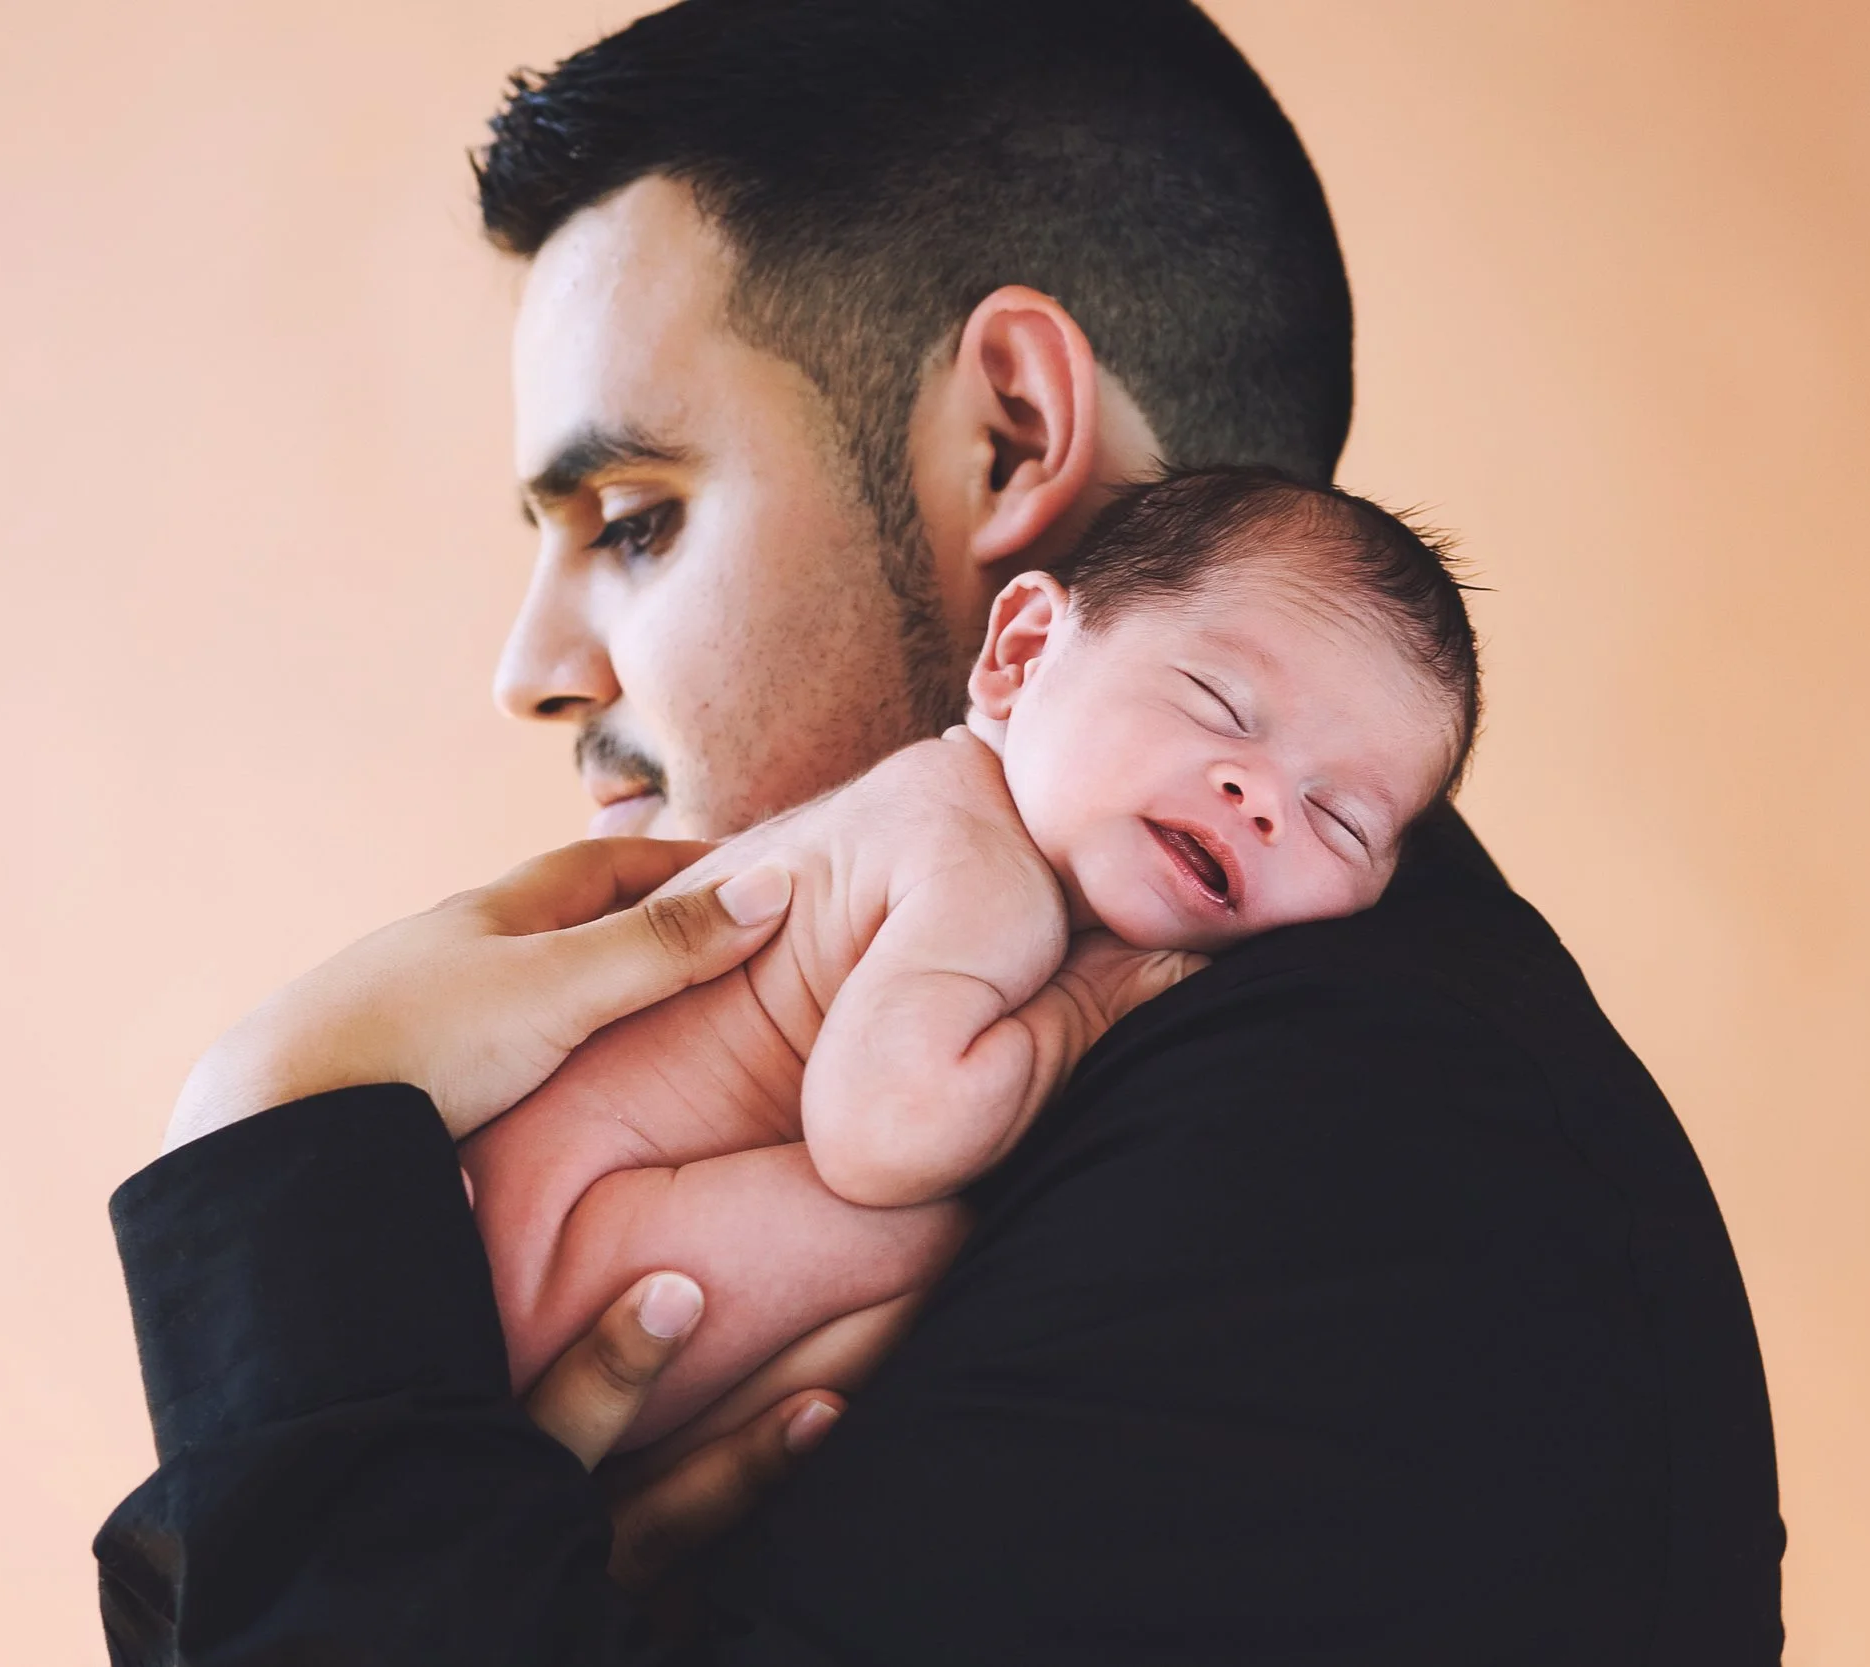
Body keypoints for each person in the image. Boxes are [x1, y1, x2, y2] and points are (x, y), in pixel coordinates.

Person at [98, 2, 1786, 1661]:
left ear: (1011, 439)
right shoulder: (1165, 1099)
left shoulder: (1376, 1182)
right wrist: (469, 1557)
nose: (532, 673)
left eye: (634, 522)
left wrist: (280, 1150)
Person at [466, 470, 1481, 1459]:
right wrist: (1082, 1012)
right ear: (1024, 651)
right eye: (1217, 703)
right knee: (935, 1237)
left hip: (514, 1234)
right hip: (556, 1259)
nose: (1257, 795)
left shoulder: (924, 799)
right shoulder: (981, 872)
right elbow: (885, 1134)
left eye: (1337, 818)